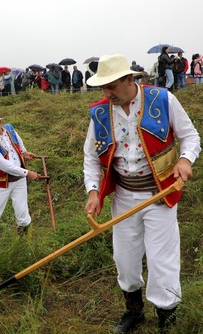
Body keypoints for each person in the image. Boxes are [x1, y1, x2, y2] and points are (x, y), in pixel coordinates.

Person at [83, 54, 201, 333]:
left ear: (128, 79)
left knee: (162, 260)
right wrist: (93, 191)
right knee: (124, 258)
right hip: (124, 196)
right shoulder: (100, 112)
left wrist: (185, 160)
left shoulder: (163, 99)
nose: (106, 93)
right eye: (102, 87)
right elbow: (90, 157)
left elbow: (190, 136)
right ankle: (134, 313)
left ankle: (166, 320)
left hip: (160, 195)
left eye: (111, 86)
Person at [0, 111, 40, 243]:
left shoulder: (10, 129)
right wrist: (27, 173)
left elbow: (18, 142)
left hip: (19, 180)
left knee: (22, 213)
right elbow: (4, 165)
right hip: (0, 181)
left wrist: (24, 152)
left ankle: (23, 245)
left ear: (0, 123)